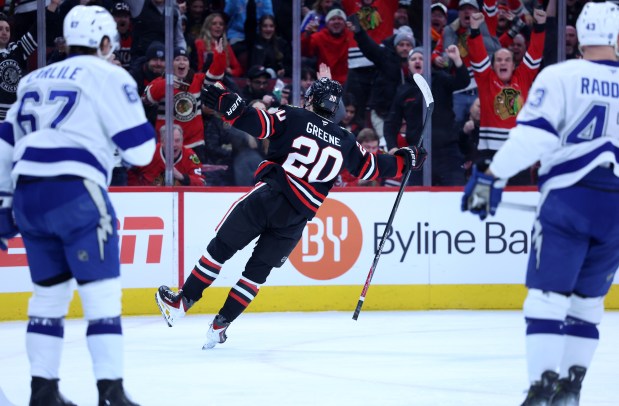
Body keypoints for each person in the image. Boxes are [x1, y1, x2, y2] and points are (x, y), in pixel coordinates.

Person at [155, 77, 426, 349]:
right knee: (255, 275)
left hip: (267, 198)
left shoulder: (295, 116)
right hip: (296, 219)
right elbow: (372, 168)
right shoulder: (346, 140)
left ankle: (182, 302)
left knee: (219, 250)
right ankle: (220, 326)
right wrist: (406, 160)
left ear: (312, 99)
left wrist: (231, 106)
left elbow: (260, 125)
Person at [461, 2, 619, 405]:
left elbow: (535, 138)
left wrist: (491, 177)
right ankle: (571, 388)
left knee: (548, 297)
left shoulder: (562, 75)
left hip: (569, 197)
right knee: (588, 301)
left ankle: (543, 386)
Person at [0, 5, 156, 405]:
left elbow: (4, 139)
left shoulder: (33, 78)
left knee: (47, 298)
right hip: (76, 191)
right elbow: (140, 150)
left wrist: (3, 203)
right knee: (101, 297)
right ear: (104, 42)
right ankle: (111, 392)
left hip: (27, 195)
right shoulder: (108, 73)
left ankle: (44, 390)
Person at [467, 8, 546, 185]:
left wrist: (540, 27)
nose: (503, 63)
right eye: (499, 60)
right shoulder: (486, 79)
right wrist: (474, 29)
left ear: (513, 64)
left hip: (517, 150)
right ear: (493, 65)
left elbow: (534, 55)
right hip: (489, 152)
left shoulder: (523, 77)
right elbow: (478, 54)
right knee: (484, 198)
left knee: (519, 196)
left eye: (507, 60)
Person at [127, 124, 205, 186]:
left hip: (178, 200)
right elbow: (131, 171)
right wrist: (137, 191)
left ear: (182, 141)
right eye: (170, 141)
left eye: (177, 140)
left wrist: (182, 177)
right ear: (162, 142)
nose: (174, 145)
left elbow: (201, 182)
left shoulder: (190, 156)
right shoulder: (150, 152)